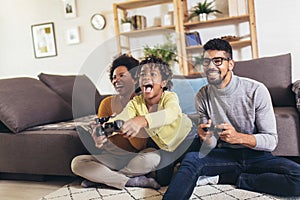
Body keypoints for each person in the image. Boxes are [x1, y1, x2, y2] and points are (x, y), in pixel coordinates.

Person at [163, 38, 300, 199]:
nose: (211, 67)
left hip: (256, 156)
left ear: (231, 64)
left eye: (218, 61)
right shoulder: (202, 96)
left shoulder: (256, 90)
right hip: (224, 154)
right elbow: (211, 144)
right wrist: (206, 139)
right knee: (191, 159)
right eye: (206, 62)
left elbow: (271, 141)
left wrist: (238, 137)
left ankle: (235, 178)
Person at [71, 54, 160, 190]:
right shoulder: (106, 103)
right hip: (112, 158)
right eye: (113, 77)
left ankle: (105, 179)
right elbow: (103, 145)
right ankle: (131, 181)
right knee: (77, 163)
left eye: (121, 75)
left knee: (154, 157)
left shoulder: (144, 103)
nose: (116, 80)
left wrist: (126, 126)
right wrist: (98, 137)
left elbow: (140, 145)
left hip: (135, 157)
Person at [108, 55, 201, 187]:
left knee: (193, 163)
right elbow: (121, 118)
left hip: (188, 139)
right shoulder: (136, 102)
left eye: (152, 74)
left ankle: (185, 165)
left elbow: (171, 113)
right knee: (163, 180)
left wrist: (143, 120)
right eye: (142, 74)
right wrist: (104, 131)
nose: (146, 77)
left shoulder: (169, 97)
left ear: (163, 83)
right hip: (166, 147)